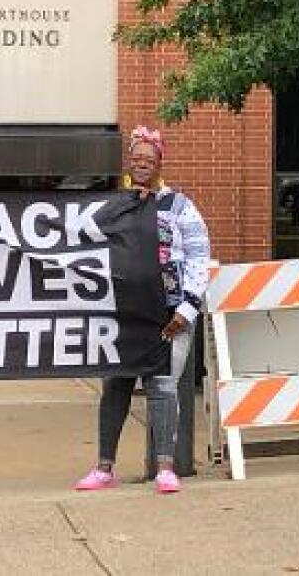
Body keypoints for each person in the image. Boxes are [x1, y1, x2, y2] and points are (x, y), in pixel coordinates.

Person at [75, 125, 211, 494]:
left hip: (169, 313)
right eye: (136, 159)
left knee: (163, 387)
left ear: (160, 162)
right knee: (115, 384)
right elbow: (85, 243)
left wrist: (188, 307)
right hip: (122, 313)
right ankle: (104, 468)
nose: (142, 164)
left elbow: (199, 256)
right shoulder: (112, 205)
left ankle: (166, 467)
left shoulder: (179, 205)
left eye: (149, 160)